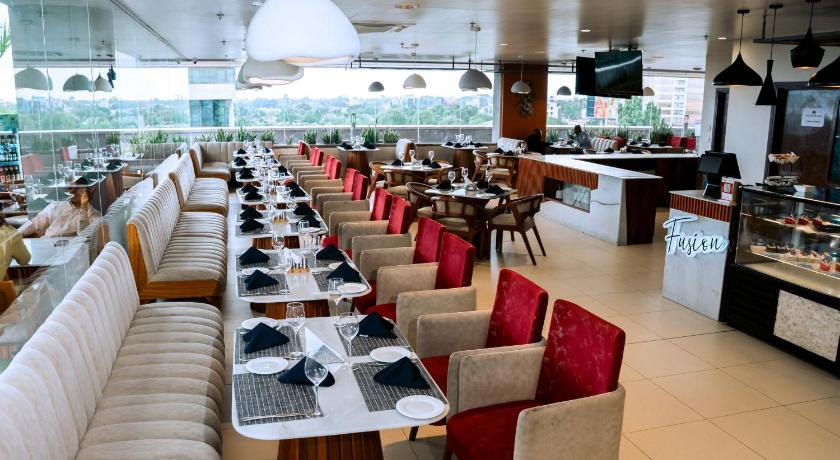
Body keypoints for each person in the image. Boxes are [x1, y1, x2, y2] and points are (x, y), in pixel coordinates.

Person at [19, 187, 100, 238]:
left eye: (78, 188)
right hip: (44, 245)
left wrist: (83, 207)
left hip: (66, 251)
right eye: (71, 188)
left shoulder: (94, 215)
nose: (72, 191)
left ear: (90, 190)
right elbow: (36, 223)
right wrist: (16, 235)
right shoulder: (57, 205)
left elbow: (83, 236)